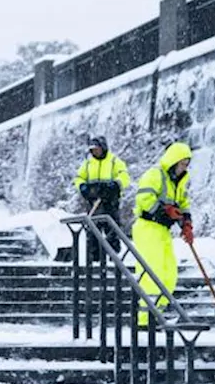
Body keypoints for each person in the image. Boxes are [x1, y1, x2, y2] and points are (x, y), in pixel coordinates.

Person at [131, 142, 193, 328]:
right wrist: (164, 211)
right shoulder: (155, 175)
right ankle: (145, 320)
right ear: (173, 161)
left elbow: (182, 203)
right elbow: (143, 198)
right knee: (152, 272)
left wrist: (186, 223)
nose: (184, 167)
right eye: (182, 163)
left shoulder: (179, 182)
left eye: (186, 164)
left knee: (169, 272)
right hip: (148, 227)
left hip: (163, 230)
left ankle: (159, 313)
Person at [73, 135, 130, 259]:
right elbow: (78, 178)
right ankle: (95, 260)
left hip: (110, 202)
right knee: (93, 232)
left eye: (97, 149)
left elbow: (125, 176)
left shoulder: (114, 161)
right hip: (93, 203)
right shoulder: (88, 164)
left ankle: (113, 259)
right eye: (92, 149)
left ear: (103, 147)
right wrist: (82, 186)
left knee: (112, 230)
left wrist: (115, 184)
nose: (94, 152)